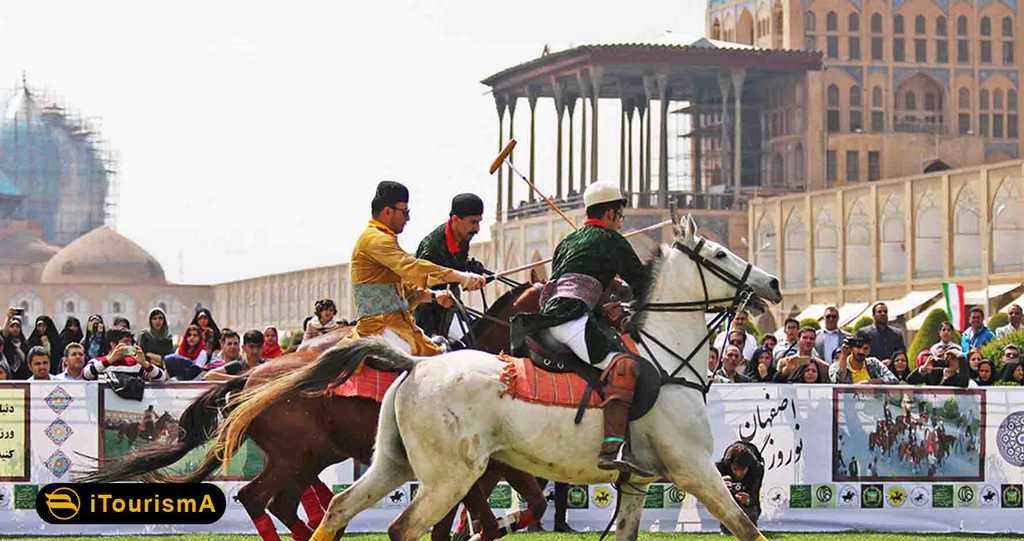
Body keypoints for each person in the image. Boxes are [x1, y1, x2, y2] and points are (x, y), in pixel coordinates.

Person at [510, 181, 651, 477]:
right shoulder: (612, 241)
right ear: (611, 214)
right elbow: (643, 284)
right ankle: (614, 446)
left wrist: (609, 286)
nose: (621, 222)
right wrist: (627, 293)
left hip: (547, 316)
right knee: (622, 366)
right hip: (570, 318)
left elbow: (583, 281)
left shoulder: (568, 241)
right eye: (620, 216)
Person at [345, 180, 485, 357]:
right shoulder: (375, 239)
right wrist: (461, 277)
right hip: (379, 329)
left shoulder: (386, 240)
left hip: (400, 325)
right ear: (388, 211)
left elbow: (403, 292)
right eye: (405, 212)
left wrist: (434, 296)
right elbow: (414, 268)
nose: (408, 218)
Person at [414, 193, 486, 343]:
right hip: (429, 315)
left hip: (452, 306)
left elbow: (455, 266)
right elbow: (422, 284)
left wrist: (470, 268)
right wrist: (463, 278)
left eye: (479, 222)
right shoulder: (432, 246)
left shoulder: (464, 237)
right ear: (455, 220)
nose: (477, 229)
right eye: (473, 222)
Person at [83, 328, 167, 384]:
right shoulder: (98, 361)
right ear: (113, 344)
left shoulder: (135, 364)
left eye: (131, 342)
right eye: (126, 342)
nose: (129, 345)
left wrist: (145, 364)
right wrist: (109, 361)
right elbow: (86, 374)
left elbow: (161, 377)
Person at [715, 441, 764, 534]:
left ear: (748, 467)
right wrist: (721, 487)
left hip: (749, 491)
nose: (739, 474)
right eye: (735, 469)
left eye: (742, 470)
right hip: (727, 499)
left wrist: (748, 500)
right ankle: (726, 527)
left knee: (752, 512)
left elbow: (755, 497)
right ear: (730, 465)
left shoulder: (757, 469)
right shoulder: (721, 468)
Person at [829, 333, 898, 385]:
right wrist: (844, 355)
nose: (861, 351)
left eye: (865, 349)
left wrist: (869, 383)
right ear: (851, 348)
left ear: (869, 350)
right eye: (858, 348)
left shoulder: (873, 363)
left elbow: (893, 380)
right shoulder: (835, 366)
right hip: (849, 403)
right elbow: (838, 382)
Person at [1, 313, 28, 379]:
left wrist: (18, 349)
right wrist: (8, 318)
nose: (15, 329)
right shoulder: (6, 342)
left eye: (17, 326)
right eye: (12, 326)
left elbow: (26, 359)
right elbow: (4, 333)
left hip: (22, 376)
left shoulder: (25, 343)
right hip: (8, 374)